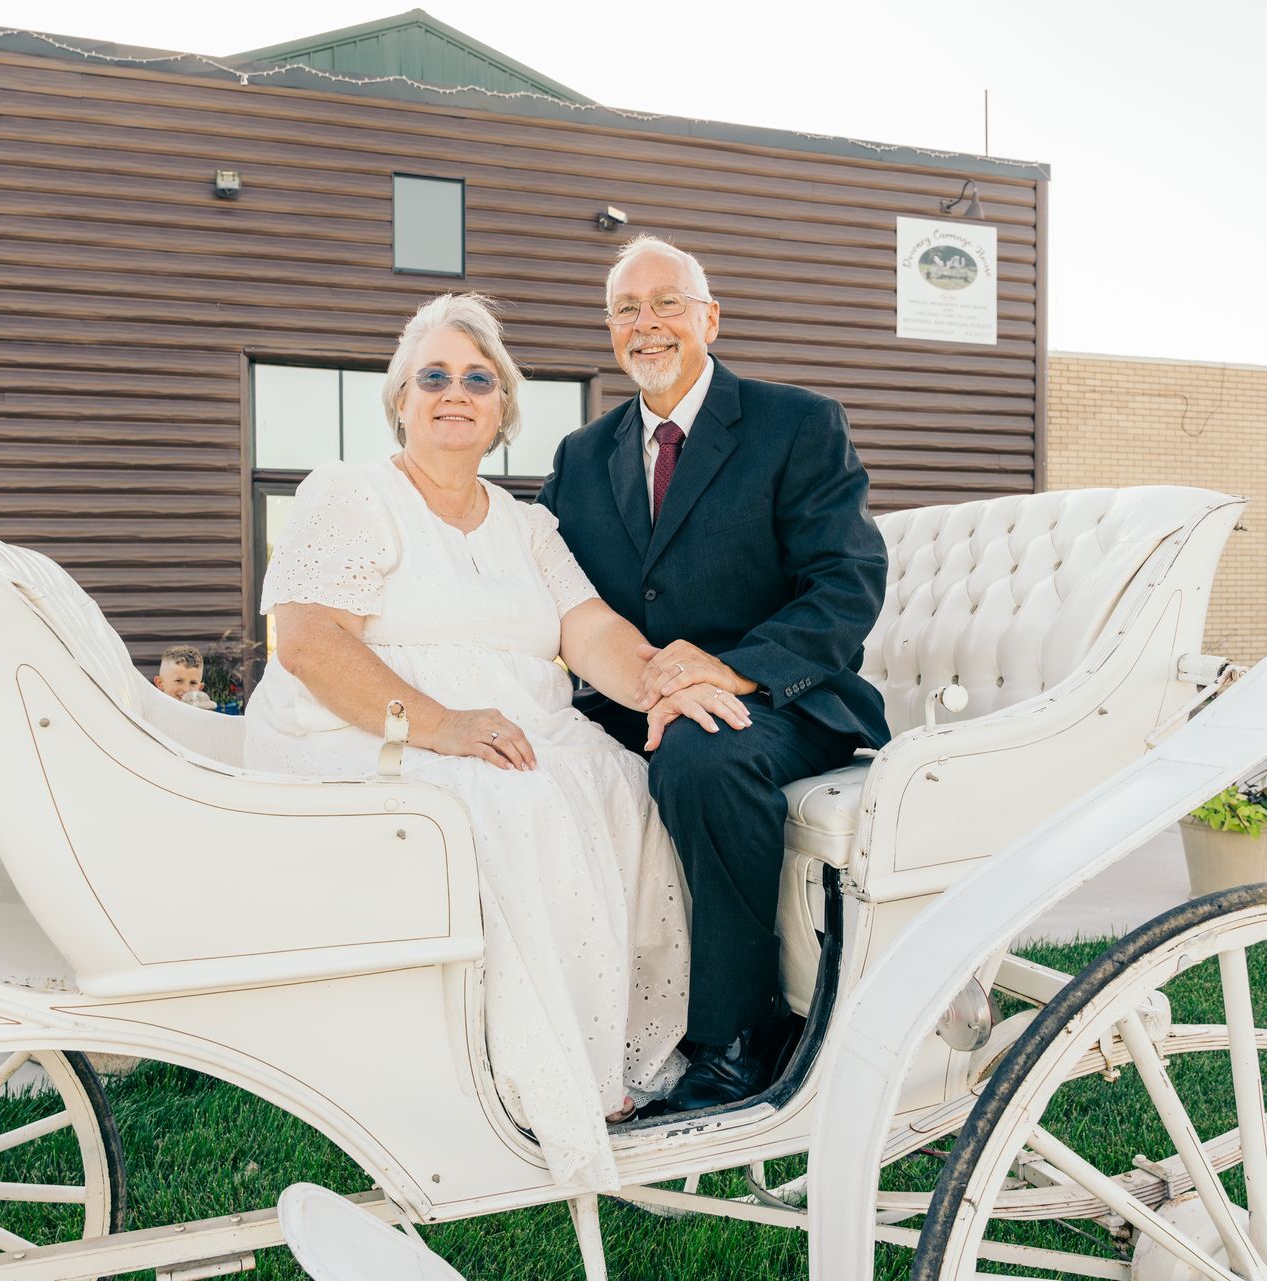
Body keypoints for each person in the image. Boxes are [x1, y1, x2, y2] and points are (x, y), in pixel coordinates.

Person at [244, 293, 750, 1191]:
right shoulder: (354, 493)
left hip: (519, 727)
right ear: (400, 398)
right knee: (511, 804)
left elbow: (589, 630)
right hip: (376, 728)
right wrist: (443, 725)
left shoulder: (529, 525)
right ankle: (536, 1082)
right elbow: (310, 639)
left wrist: (665, 683)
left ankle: (620, 1063)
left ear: (503, 411)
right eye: (433, 376)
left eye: (478, 380)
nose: (456, 393)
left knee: (624, 781)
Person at [539, 235, 891, 1113]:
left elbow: (846, 583)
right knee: (536, 770)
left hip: (780, 698)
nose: (646, 324)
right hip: (634, 701)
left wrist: (729, 671)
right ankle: (578, 1025)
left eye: (667, 304)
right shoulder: (581, 456)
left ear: (710, 318)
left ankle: (739, 1037)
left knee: (701, 754)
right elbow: (549, 591)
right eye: (626, 309)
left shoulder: (796, 422)